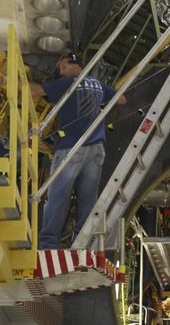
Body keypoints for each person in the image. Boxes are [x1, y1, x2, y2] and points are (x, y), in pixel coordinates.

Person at [30, 49, 125, 249]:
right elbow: (122, 99)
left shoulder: (68, 83)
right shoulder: (97, 84)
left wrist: (12, 81)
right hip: (97, 149)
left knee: (58, 195)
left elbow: (37, 91)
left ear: (68, 64)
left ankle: (48, 243)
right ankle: (82, 243)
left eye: (62, 68)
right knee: (88, 198)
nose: (61, 72)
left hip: (72, 148)